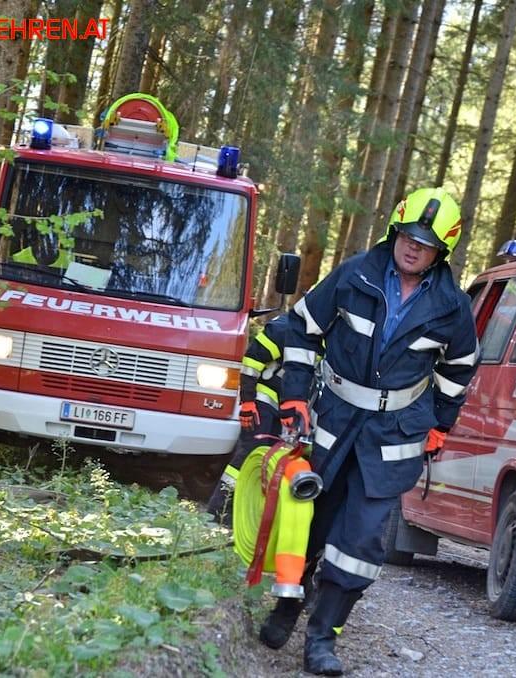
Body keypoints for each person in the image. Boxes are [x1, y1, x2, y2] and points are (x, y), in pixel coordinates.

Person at [260, 187, 479, 676]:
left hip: (395, 435)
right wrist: (294, 394)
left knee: (359, 539)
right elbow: (300, 330)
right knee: (309, 520)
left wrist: (441, 423)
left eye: (424, 242)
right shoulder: (354, 274)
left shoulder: (452, 305)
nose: (413, 246)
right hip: (333, 421)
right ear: (394, 232)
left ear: (441, 251)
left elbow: (459, 369)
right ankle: (287, 604)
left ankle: (324, 637)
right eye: (407, 236)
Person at [206, 312, 290, 525]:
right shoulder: (284, 328)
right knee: (249, 454)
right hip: (262, 402)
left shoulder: (327, 337)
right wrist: (248, 402)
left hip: (285, 410)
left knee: (271, 461)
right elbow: (252, 362)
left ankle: (246, 515)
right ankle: (219, 510)